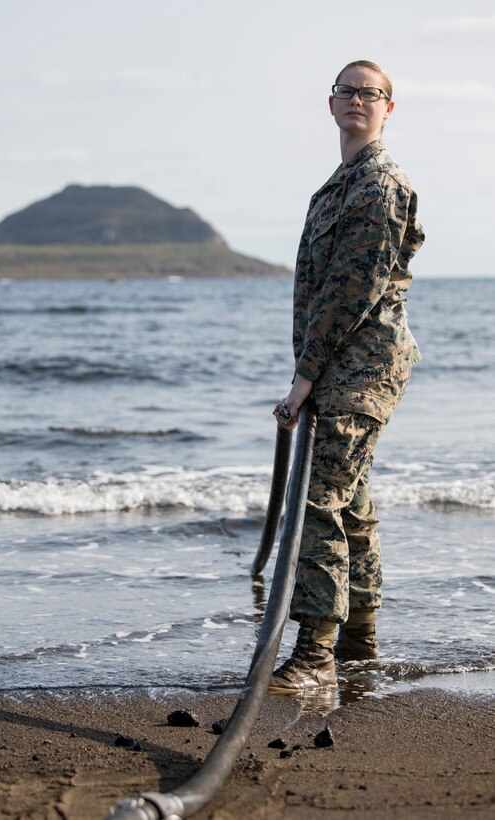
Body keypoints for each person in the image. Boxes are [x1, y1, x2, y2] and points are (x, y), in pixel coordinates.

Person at [269, 60, 425, 694]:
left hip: (363, 365)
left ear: (390, 108)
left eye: (371, 93)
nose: (358, 100)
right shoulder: (340, 184)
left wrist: (304, 377)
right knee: (352, 504)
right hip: (338, 364)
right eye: (347, 92)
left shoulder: (381, 184)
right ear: (331, 106)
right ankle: (360, 643)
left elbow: (351, 290)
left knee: (317, 502)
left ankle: (315, 655)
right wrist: (311, 371)